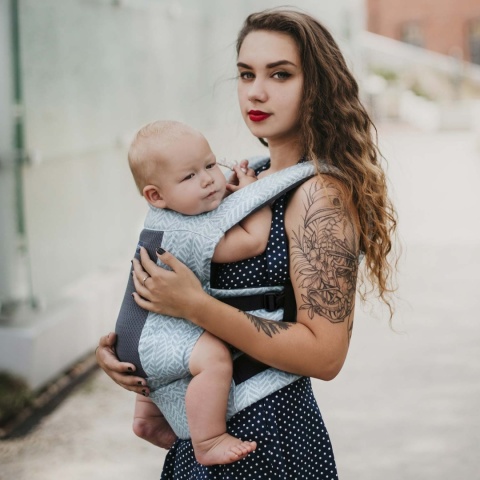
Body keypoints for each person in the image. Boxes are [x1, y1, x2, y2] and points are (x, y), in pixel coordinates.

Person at [97, 8, 397, 479]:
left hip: (267, 433)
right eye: (245, 74)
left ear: (317, 86)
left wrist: (195, 307)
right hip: (202, 434)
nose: (256, 91)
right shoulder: (242, 180)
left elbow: (326, 355)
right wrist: (138, 356)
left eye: (280, 74)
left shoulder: (319, 194)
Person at [122, 119, 277, 465]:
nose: (208, 179)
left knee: (163, 370)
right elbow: (252, 241)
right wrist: (254, 195)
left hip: (135, 332)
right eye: (189, 176)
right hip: (153, 339)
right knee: (215, 358)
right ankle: (208, 439)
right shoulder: (186, 232)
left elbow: (214, 212)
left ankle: (147, 419)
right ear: (156, 195)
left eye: (209, 165)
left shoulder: (163, 217)